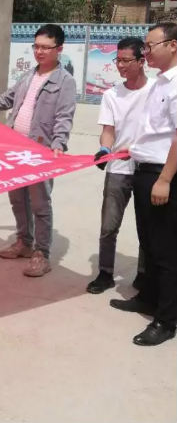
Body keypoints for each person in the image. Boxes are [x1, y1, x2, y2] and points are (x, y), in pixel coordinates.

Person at [0, 24, 77, 278]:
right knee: (17, 199)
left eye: (45, 47)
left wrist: (59, 143)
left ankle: (42, 253)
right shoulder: (28, 76)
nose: (39, 52)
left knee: (40, 203)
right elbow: (7, 99)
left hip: (40, 151)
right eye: (36, 46)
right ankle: (24, 242)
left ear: (59, 49)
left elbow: (64, 116)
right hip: (16, 149)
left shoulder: (65, 82)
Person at [111, 23, 177, 347]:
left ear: (173, 45)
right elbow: (153, 131)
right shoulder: (159, 83)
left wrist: (165, 179)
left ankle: (166, 320)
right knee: (148, 244)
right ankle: (148, 298)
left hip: (162, 175)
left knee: (166, 251)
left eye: (151, 46)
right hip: (143, 170)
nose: (146, 52)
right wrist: (131, 149)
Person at [87, 38, 152, 294]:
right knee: (108, 226)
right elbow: (108, 131)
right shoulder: (111, 95)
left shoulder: (156, 91)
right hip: (118, 170)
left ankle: (144, 275)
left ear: (141, 61)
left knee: (147, 227)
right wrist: (105, 150)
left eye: (126, 61)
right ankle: (105, 273)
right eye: (118, 60)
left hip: (148, 168)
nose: (121, 65)